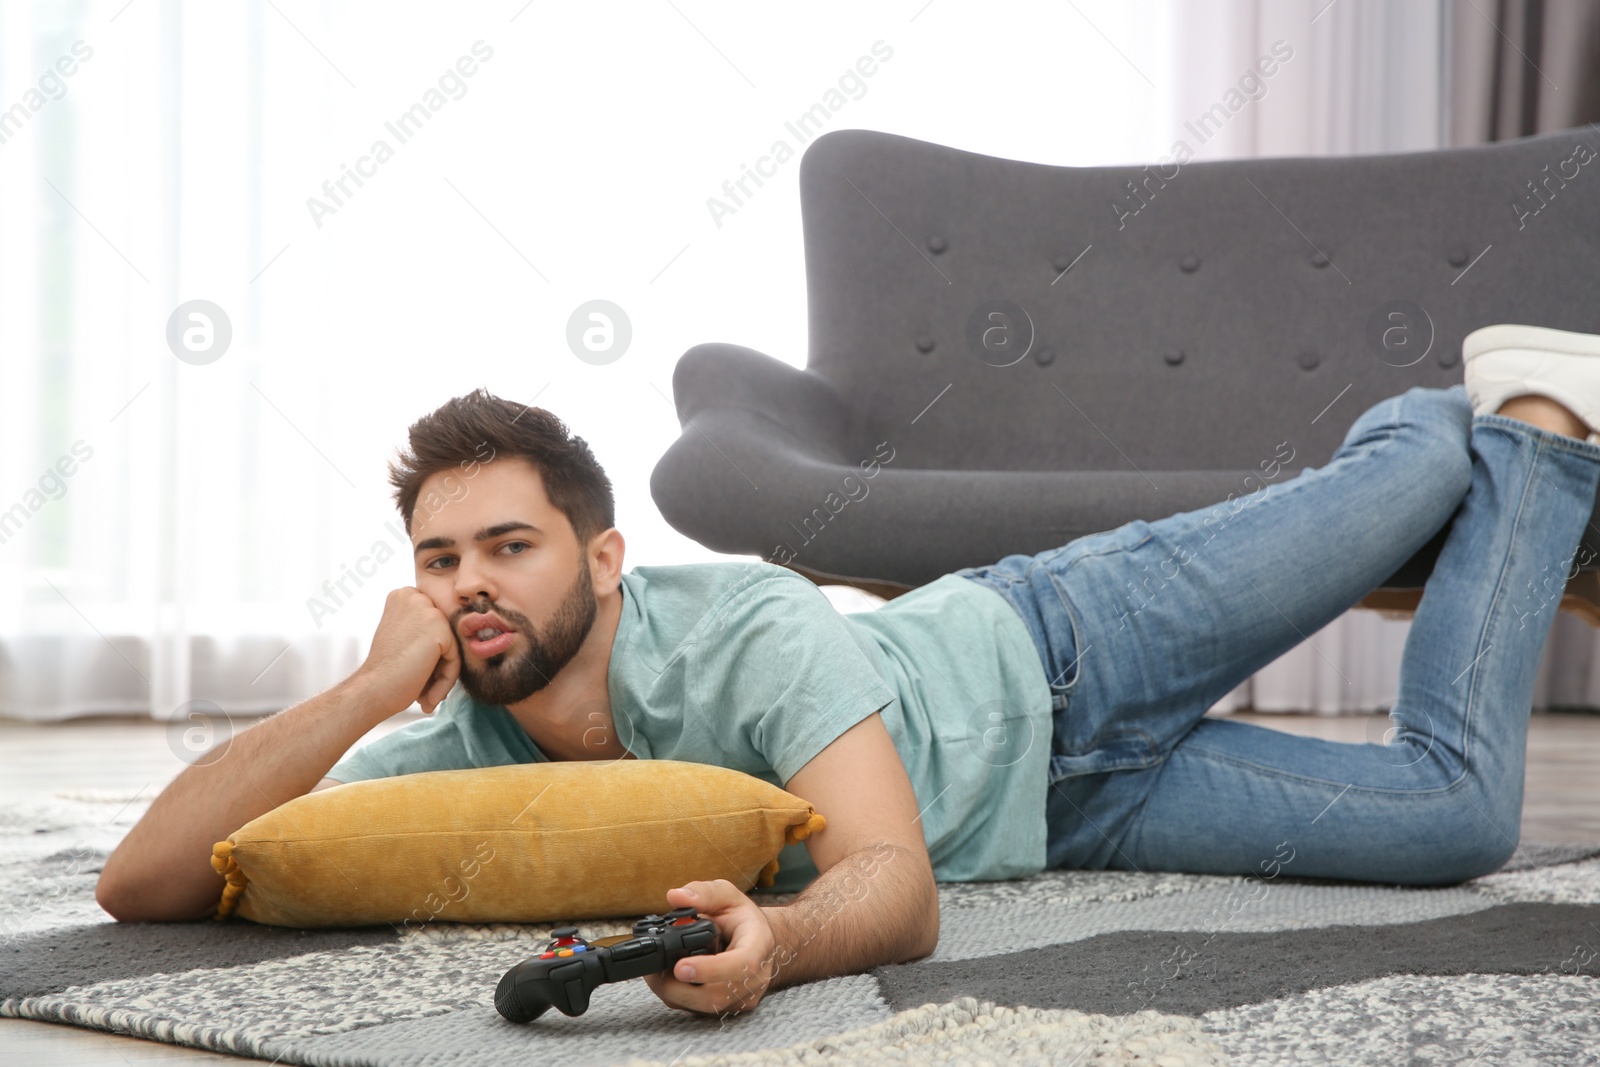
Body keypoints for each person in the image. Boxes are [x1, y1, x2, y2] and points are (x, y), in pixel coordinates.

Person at [96, 322, 1600, 1019]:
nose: (471, 585)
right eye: (441, 562)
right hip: (1076, 817)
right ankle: (1544, 429)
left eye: (510, 547)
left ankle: (1457, 402)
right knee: (1461, 824)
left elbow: (894, 884)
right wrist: (366, 693)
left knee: (1416, 480)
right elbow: (142, 885)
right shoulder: (458, 753)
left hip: (1073, 642)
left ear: (603, 561)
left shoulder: (744, 620)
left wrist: (783, 947)